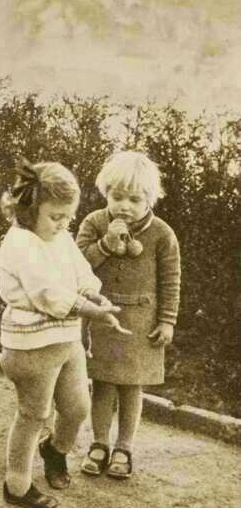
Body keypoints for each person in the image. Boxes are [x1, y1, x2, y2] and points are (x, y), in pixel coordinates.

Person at [0, 158, 131, 508]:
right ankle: (16, 484)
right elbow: (46, 294)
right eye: (56, 217)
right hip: (31, 343)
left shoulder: (61, 238)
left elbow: (80, 272)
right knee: (33, 414)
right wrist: (87, 309)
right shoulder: (21, 243)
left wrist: (94, 295)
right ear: (29, 210)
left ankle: (54, 450)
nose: (63, 224)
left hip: (66, 337)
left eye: (68, 217)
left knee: (77, 407)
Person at [76, 150, 181, 480]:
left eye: (134, 199)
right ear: (105, 192)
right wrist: (106, 244)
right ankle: (99, 443)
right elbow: (77, 266)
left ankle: (124, 447)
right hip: (102, 316)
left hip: (141, 322)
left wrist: (167, 320)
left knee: (132, 387)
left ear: (150, 198)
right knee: (102, 383)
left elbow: (170, 280)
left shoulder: (162, 234)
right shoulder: (94, 223)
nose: (124, 206)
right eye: (117, 197)